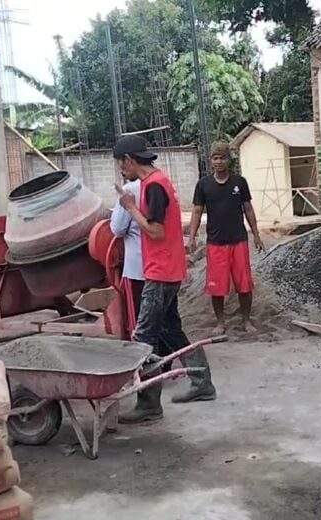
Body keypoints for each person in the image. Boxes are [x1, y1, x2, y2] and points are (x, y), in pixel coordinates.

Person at [112, 135, 216, 424]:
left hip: (160, 271)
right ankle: (202, 383)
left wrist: (130, 207)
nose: (121, 170)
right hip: (167, 269)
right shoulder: (156, 182)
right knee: (171, 331)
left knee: (144, 336)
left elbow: (155, 231)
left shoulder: (153, 186)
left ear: (129, 160)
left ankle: (148, 403)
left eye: (120, 164)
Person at [187, 141, 264, 334]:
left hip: (239, 240)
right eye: (215, 158)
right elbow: (197, 211)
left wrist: (256, 234)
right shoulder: (203, 185)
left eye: (222, 157)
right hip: (215, 243)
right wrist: (192, 237)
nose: (219, 161)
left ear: (229, 160)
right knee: (217, 287)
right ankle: (220, 323)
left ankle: (246, 320)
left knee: (244, 285)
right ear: (210, 161)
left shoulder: (239, 182)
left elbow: (248, 209)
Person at [110, 168, 144, 330]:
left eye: (123, 166)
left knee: (138, 321)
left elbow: (118, 228)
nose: (122, 171)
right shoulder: (161, 184)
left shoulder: (129, 191)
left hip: (136, 268)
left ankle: (145, 352)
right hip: (161, 268)